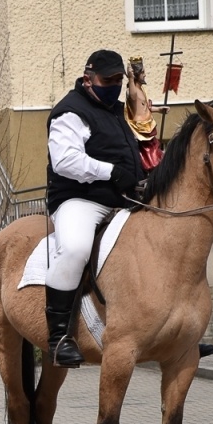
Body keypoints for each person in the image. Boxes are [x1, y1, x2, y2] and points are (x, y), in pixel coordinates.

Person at [43, 49, 144, 368]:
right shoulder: (69, 112)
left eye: (119, 79)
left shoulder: (117, 111)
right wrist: (111, 171)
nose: (114, 85)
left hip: (123, 198)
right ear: (88, 79)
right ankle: (59, 338)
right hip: (80, 200)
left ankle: (178, 331)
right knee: (74, 249)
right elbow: (65, 161)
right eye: (107, 80)